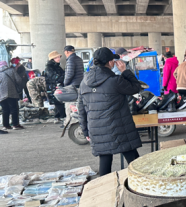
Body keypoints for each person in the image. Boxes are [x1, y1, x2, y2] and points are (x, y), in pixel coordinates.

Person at [78, 48, 142, 176]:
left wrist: (86, 130)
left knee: (105, 160)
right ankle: (142, 187)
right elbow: (136, 87)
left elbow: (81, 109)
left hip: (96, 129)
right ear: (111, 62)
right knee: (134, 162)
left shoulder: (84, 83)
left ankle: (104, 191)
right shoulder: (115, 81)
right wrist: (125, 71)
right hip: (119, 128)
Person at [0, 60, 24, 131]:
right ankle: (15, 125)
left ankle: (6, 125)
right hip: (12, 93)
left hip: (1, 94)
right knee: (14, 109)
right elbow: (19, 80)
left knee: (5, 109)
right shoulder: (12, 70)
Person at [44, 51, 66, 122]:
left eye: (59, 57)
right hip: (53, 87)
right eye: (56, 57)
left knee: (58, 102)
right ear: (52, 59)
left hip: (55, 87)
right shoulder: (49, 67)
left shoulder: (57, 66)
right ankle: (61, 117)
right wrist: (63, 77)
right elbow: (54, 77)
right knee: (59, 102)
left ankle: (58, 116)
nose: (59, 58)